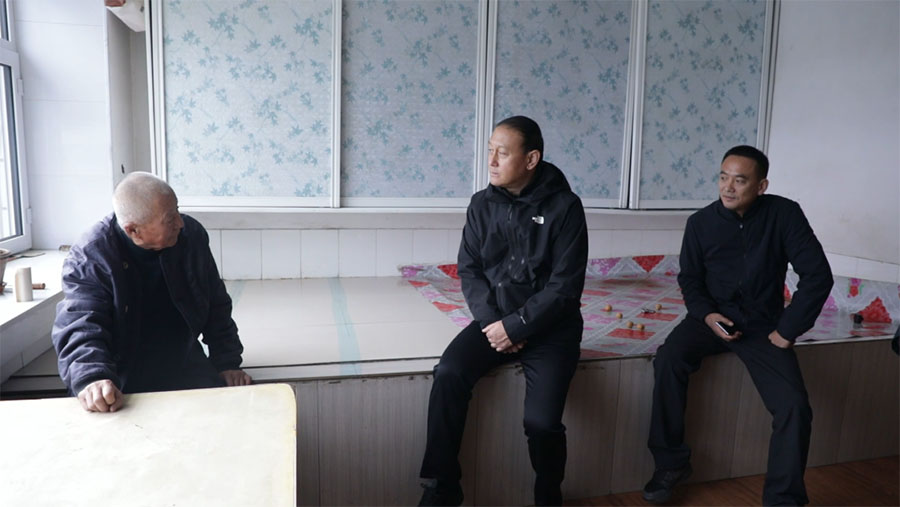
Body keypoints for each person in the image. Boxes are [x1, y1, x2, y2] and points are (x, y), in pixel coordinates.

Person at [643, 146, 833, 506]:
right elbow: (690, 280)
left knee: (794, 406)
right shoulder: (700, 223)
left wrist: (787, 330)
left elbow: (817, 275)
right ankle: (670, 464)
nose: (728, 187)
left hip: (763, 325)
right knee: (668, 360)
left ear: (761, 186)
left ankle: (783, 499)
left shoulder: (784, 215)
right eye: (723, 177)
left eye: (740, 180)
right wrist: (707, 315)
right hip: (709, 319)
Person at [418, 116, 588, 506]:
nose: (491, 161)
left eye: (503, 153)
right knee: (449, 373)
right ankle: (442, 487)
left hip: (552, 328)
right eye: (490, 151)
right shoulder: (481, 204)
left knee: (541, 422)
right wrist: (495, 323)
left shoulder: (565, 207)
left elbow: (564, 288)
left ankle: (549, 496)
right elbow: (469, 269)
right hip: (494, 321)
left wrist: (517, 326)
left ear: (531, 159)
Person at [52, 172, 252, 413]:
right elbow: (81, 323)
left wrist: (227, 362)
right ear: (133, 230)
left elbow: (216, 305)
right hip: (122, 376)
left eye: (177, 211)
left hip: (185, 364)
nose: (180, 223)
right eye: (170, 219)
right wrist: (92, 376)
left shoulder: (191, 236)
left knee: (229, 414)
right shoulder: (91, 255)